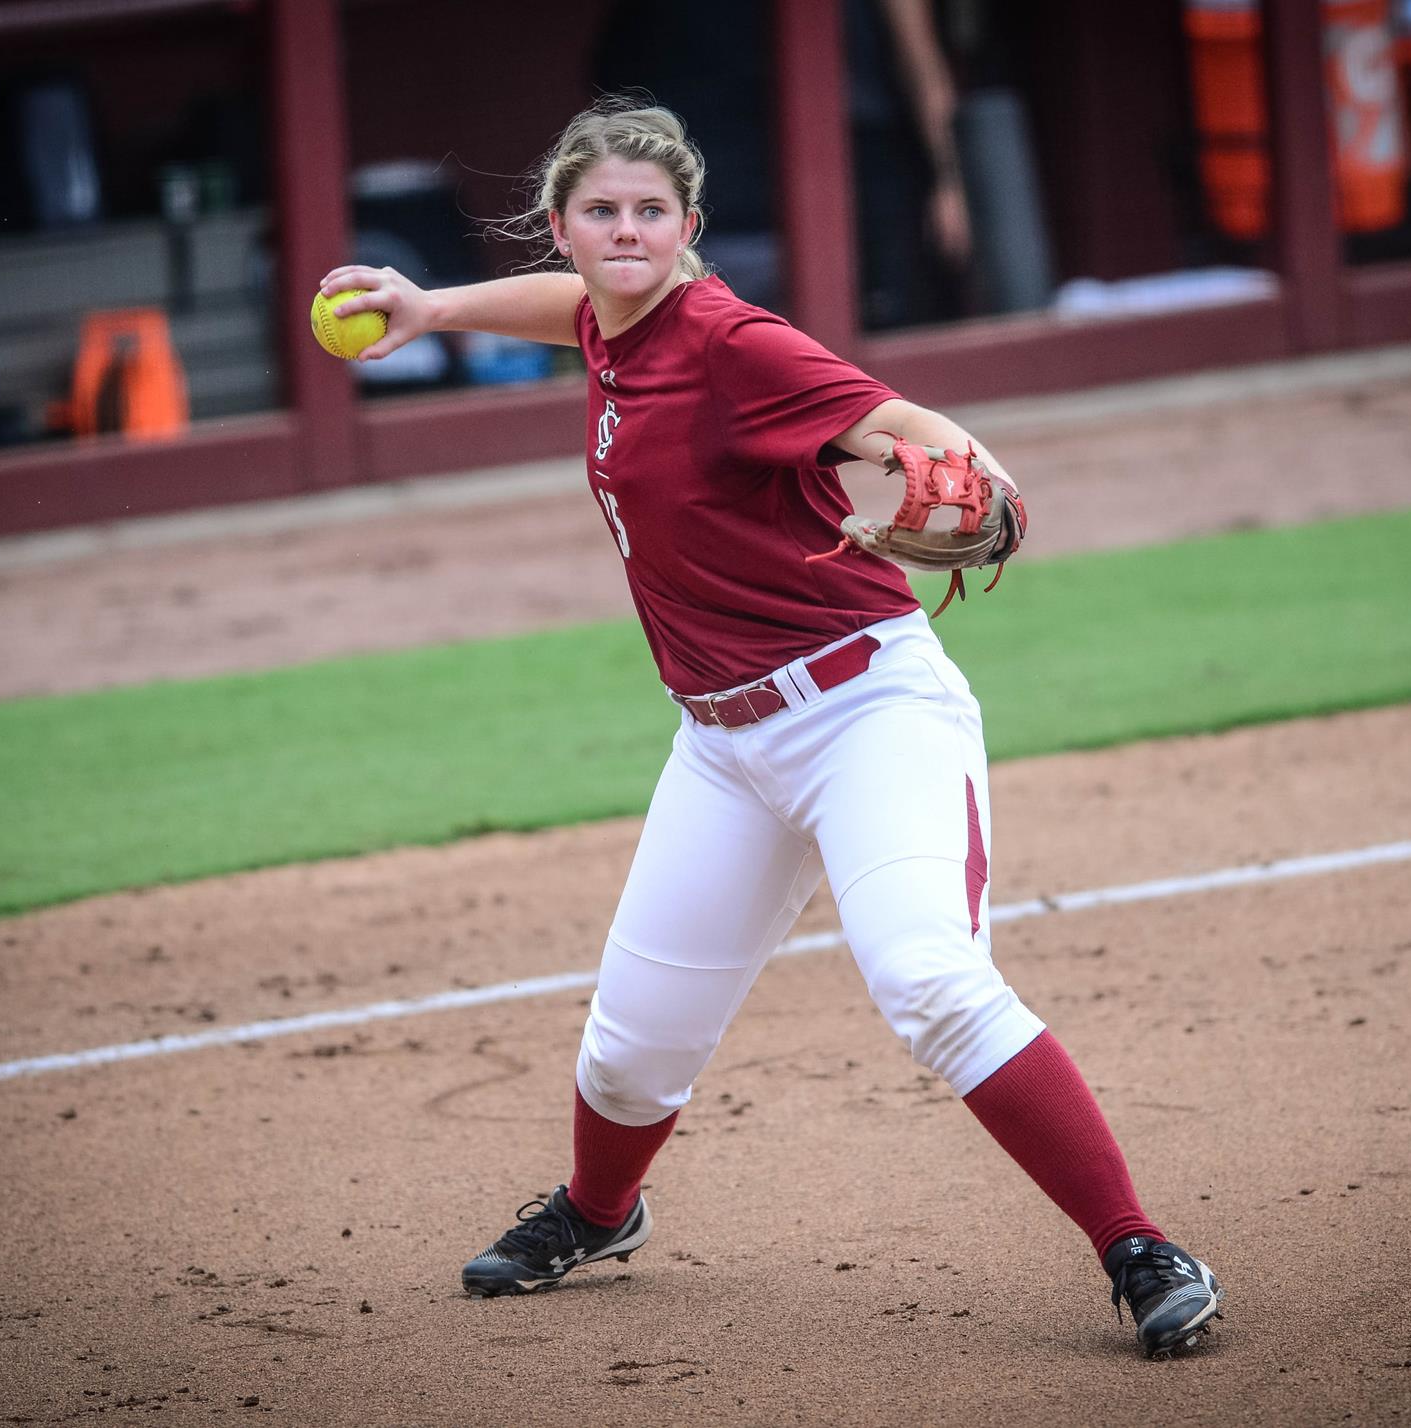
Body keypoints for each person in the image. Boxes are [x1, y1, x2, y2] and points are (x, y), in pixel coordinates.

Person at [319, 101, 1222, 1358]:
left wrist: (984, 487)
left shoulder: (733, 343)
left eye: (648, 213)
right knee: (630, 1052)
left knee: (926, 979)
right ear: (562, 227)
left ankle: (1137, 1245)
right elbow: (569, 309)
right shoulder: (606, 312)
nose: (623, 233)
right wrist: (429, 308)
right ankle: (597, 1210)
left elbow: (914, 432)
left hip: (864, 711)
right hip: (723, 747)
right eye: (599, 214)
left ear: (689, 228)